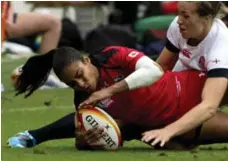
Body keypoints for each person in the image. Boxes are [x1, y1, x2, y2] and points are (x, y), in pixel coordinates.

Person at [8, 46, 228, 149]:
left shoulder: (111, 56)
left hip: (190, 87)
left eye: (80, 76)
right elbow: (83, 133)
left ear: (86, 61)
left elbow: (153, 71)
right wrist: (87, 140)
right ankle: (32, 137)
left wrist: (109, 90)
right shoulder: (84, 98)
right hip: (176, 123)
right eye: (72, 84)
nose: (81, 84)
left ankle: (33, 135)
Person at [148, 1, 228, 146]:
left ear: (207, 18)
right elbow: (160, 67)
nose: (178, 20)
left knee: (178, 131)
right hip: (185, 85)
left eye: (185, 16)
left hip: (216, 91)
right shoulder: (178, 26)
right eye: (178, 14)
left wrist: (168, 131)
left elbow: (209, 106)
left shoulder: (221, 46)